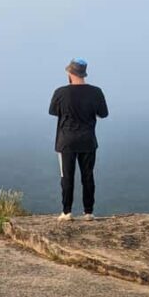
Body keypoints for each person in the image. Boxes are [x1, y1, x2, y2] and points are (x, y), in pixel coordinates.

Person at [49, 59, 108, 221]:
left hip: (66, 141)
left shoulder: (60, 92)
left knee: (66, 176)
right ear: (84, 73)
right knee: (88, 176)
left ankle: (66, 212)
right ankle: (88, 212)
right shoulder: (96, 92)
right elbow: (103, 114)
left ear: (70, 73)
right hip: (88, 140)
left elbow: (53, 111)